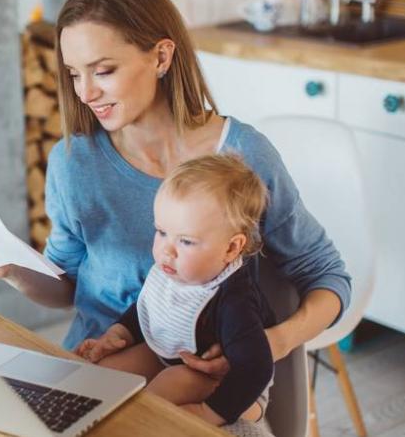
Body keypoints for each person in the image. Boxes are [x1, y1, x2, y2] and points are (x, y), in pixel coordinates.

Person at [0, 0, 350, 419]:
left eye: (102, 71)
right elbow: (66, 287)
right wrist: (8, 267)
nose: (85, 93)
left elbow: (326, 275)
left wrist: (276, 342)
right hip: (97, 363)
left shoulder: (242, 157)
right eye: (74, 74)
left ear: (160, 57)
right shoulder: (72, 161)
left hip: (199, 383)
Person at [76, 154, 275, 426]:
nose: (167, 250)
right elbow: (150, 307)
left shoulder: (234, 300)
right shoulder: (176, 268)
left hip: (236, 386)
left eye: (186, 241)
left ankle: (135, 426)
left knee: (162, 391)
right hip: (172, 356)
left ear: (230, 248)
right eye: (161, 232)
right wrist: (117, 334)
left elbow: (255, 368)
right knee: (105, 374)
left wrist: (209, 413)